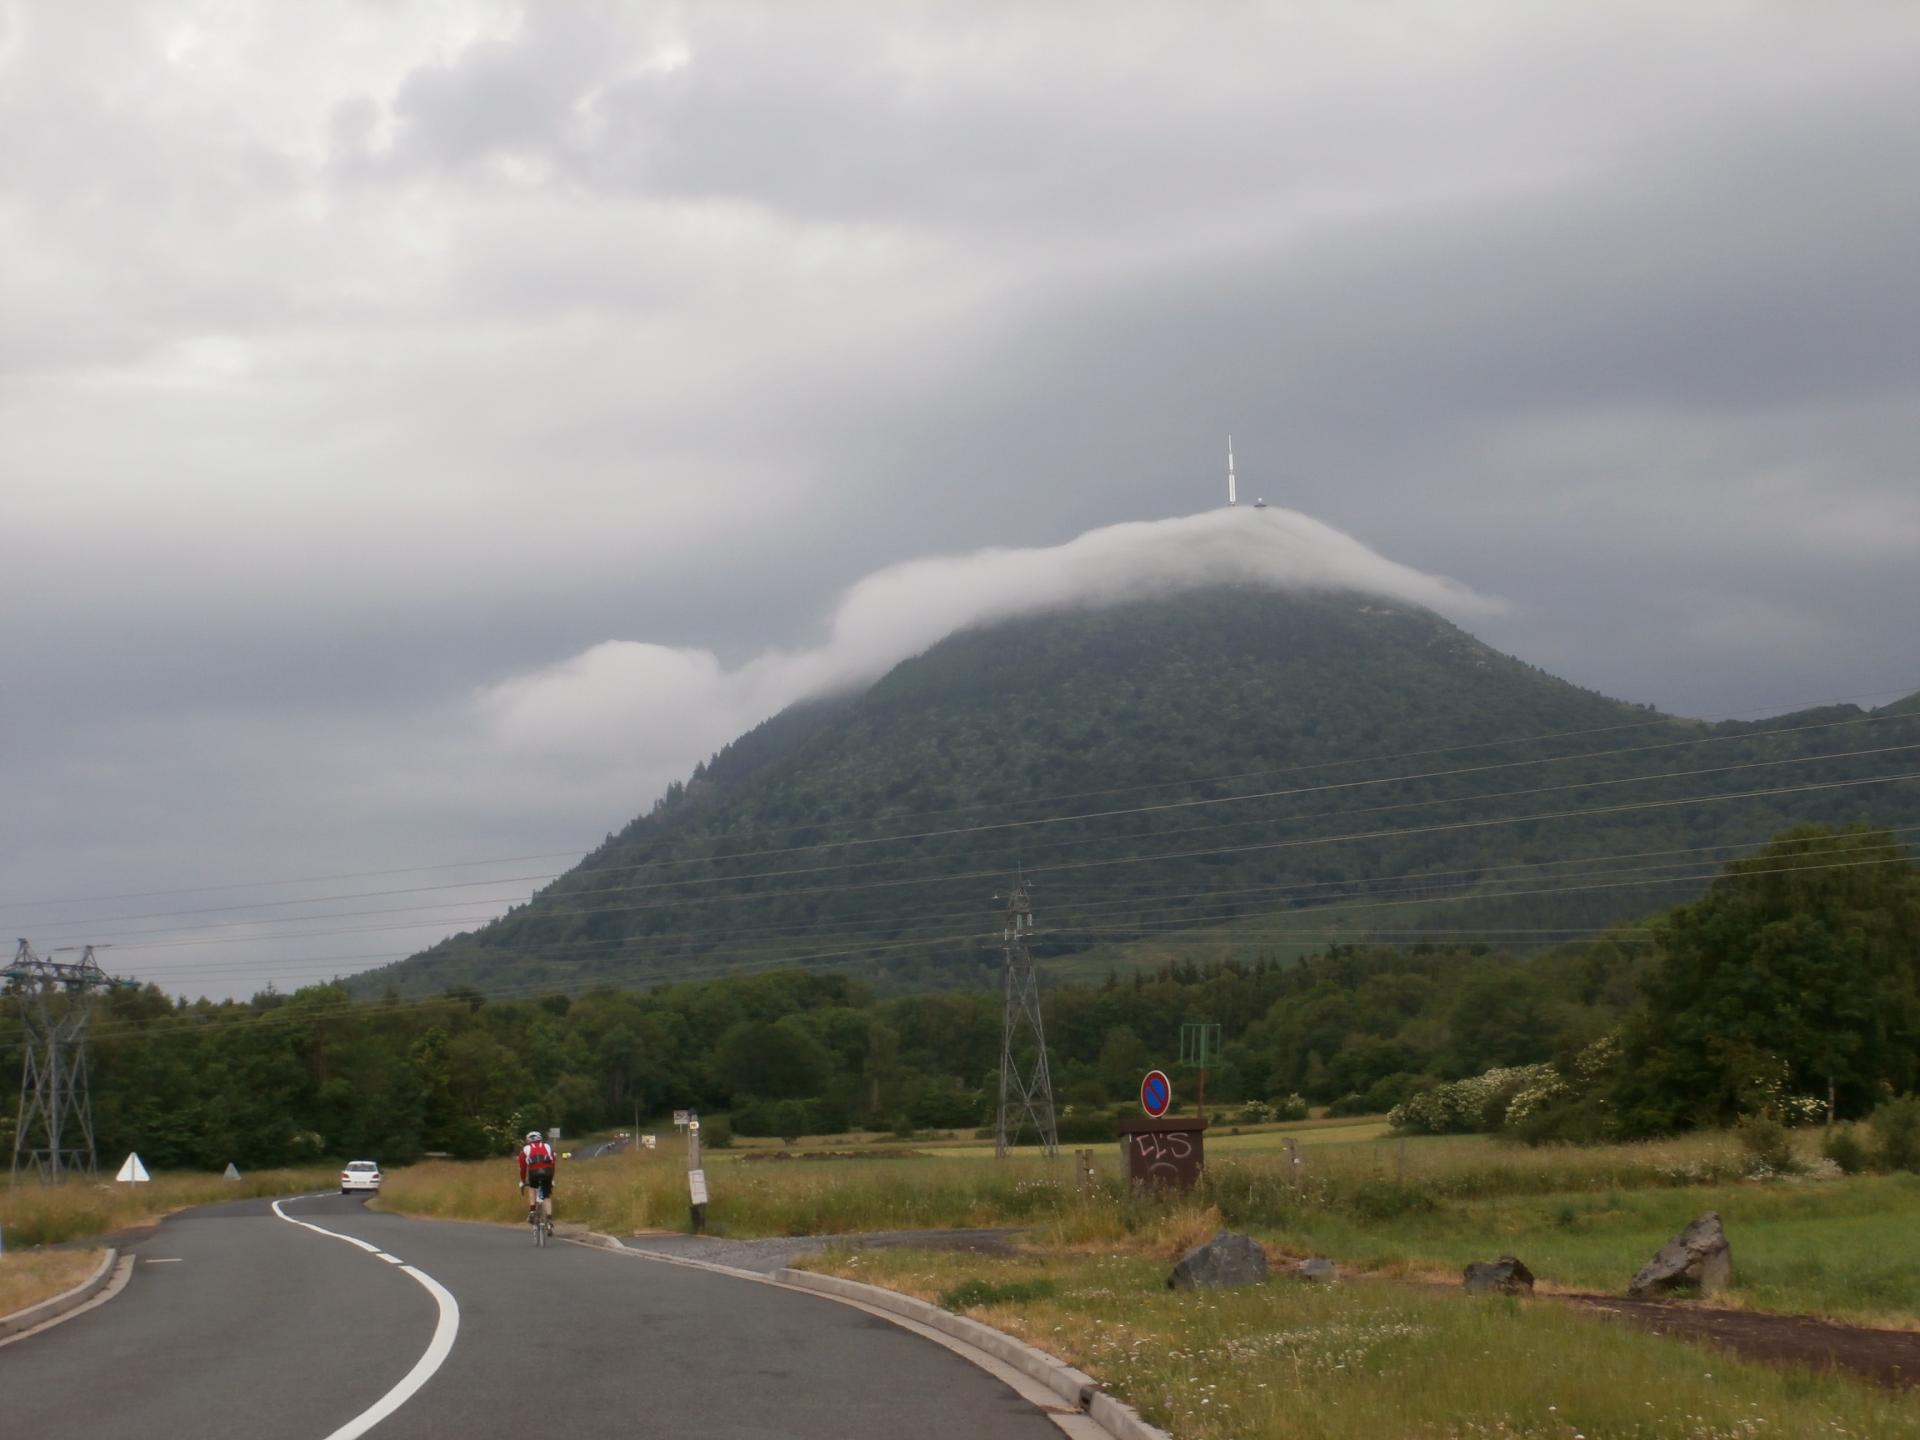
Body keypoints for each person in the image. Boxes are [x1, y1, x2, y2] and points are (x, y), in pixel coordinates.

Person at [518, 1130, 557, 1228]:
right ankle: (549, 1218)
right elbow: (553, 1163)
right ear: (540, 1138)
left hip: (533, 1172)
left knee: (532, 1187)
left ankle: (532, 1210)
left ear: (528, 1140)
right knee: (546, 1196)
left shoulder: (526, 1149)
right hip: (547, 1172)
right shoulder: (547, 1146)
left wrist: (523, 1180)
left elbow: (523, 1167)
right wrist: (551, 1178)